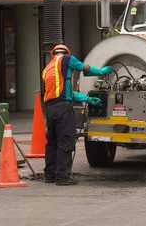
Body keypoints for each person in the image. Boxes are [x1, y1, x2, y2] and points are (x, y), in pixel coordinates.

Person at [42, 44, 113, 186]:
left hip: (50, 109)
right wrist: (101, 70)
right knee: (66, 141)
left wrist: (87, 99)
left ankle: (50, 175)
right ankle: (63, 177)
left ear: (53, 54)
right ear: (66, 53)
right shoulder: (67, 59)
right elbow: (85, 69)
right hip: (63, 108)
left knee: (52, 143)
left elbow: (66, 93)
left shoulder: (47, 69)